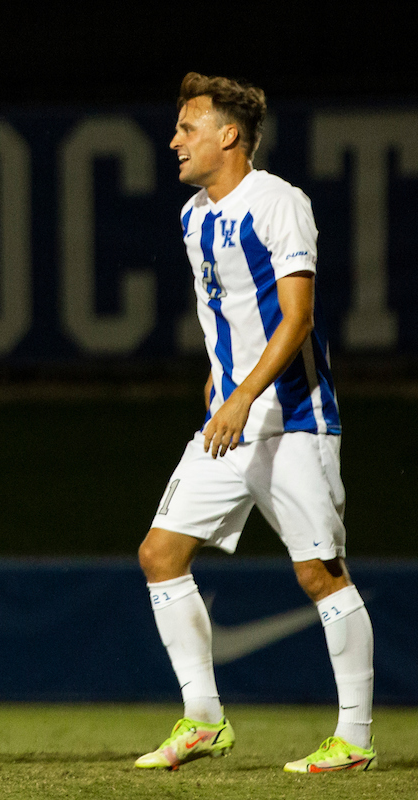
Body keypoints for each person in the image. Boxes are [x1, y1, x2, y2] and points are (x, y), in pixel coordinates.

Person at [134, 72, 375, 774]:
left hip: (293, 418)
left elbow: (297, 318)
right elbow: (228, 313)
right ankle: (204, 720)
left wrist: (242, 396)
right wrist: (221, 378)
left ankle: (355, 738)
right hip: (228, 420)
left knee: (320, 574)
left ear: (228, 136)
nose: (174, 140)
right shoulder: (192, 216)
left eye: (187, 128)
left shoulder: (278, 204)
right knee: (160, 555)